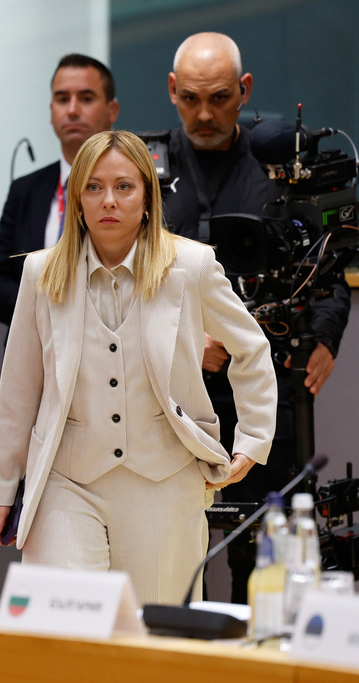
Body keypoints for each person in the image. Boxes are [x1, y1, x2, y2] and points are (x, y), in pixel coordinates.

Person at [0, 130, 277, 604]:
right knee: (63, 632)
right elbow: (19, 387)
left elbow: (251, 349)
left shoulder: (193, 265)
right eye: (94, 187)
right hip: (68, 479)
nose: (109, 200)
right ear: (78, 199)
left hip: (164, 482)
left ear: (147, 196)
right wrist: (2, 484)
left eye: (124, 186)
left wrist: (252, 441)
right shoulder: (42, 273)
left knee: (152, 648)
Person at [163, 32, 351, 602]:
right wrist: (186, 338)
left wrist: (324, 338)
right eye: (191, 99)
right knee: (171, 545)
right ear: (172, 91)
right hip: (174, 389)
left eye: (219, 98)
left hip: (267, 383)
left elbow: (329, 272)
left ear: (243, 91)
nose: (204, 113)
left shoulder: (282, 165)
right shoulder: (145, 169)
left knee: (268, 548)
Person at [0, 54, 120, 324]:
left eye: (86, 98)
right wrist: (44, 312)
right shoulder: (26, 190)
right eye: (62, 99)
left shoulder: (134, 189)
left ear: (112, 110)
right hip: (34, 350)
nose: (72, 110)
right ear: (51, 110)